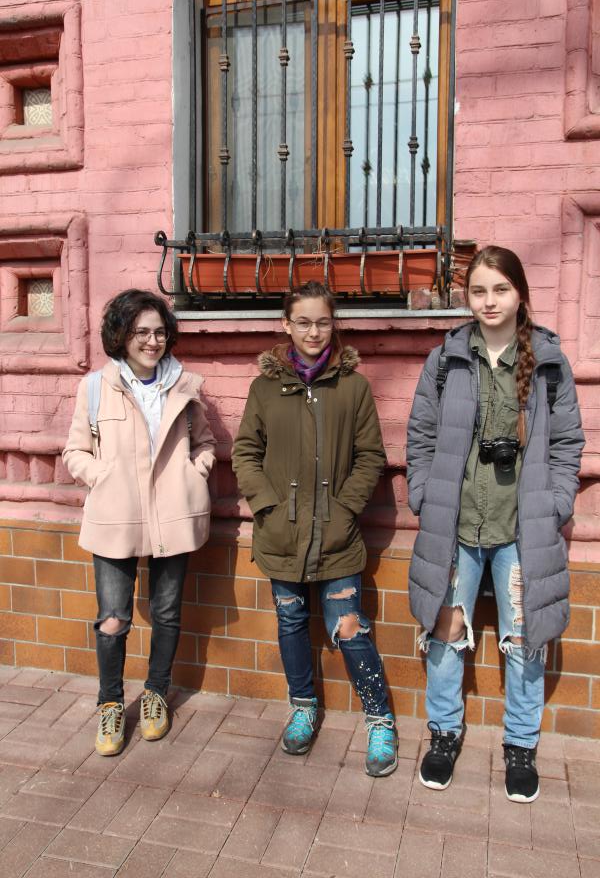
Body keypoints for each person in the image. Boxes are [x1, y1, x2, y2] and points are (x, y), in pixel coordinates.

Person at [406, 246, 584, 803]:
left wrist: (555, 505)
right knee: (445, 630)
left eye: (500, 290)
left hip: (521, 529)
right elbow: (421, 434)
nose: (489, 301)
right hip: (455, 525)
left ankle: (521, 744)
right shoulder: (447, 360)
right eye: (478, 291)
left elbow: (567, 444)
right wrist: (423, 493)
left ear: (520, 294)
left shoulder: (548, 362)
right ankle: (443, 733)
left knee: (527, 637)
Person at [232, 281, 398, 777]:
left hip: (337, 535)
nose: (313, 332)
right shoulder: (265, 389)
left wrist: (345, 509)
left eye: (323, 322)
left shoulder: (352, 387)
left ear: (333, 324)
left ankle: (380, 719)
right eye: (303, 322)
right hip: (281, 535)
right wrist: (267, 507)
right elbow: (246, 453)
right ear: (286, 324)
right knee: (290, 624)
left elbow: (370, 457)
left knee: (349, 627)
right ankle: (302, 708)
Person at [63, 289, 216, 756]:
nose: (152, 341)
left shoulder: (184, 385)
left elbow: (205, 442)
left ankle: (155, 693)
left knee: (167, 613)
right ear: (121, 335)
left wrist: (196, 470)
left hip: (173, 514)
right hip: (116, 516)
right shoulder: (95, 387)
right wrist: (101, 476)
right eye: (141, 332)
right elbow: (75, 451)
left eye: (159, 332)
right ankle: (110, 703)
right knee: (113, 618)